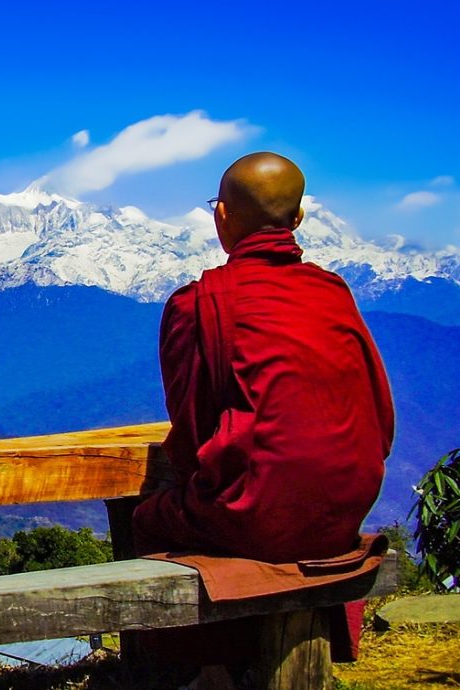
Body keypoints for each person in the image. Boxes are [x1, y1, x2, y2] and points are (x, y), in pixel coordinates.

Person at [131, 152, 395, 678]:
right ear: (297, 220)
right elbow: (379, 411)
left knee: (149, 519)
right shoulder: (333, 292)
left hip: (254, 513)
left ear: (221, 217)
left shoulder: (198, 303)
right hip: (344, 510)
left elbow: (190, 432)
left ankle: (204, 673)